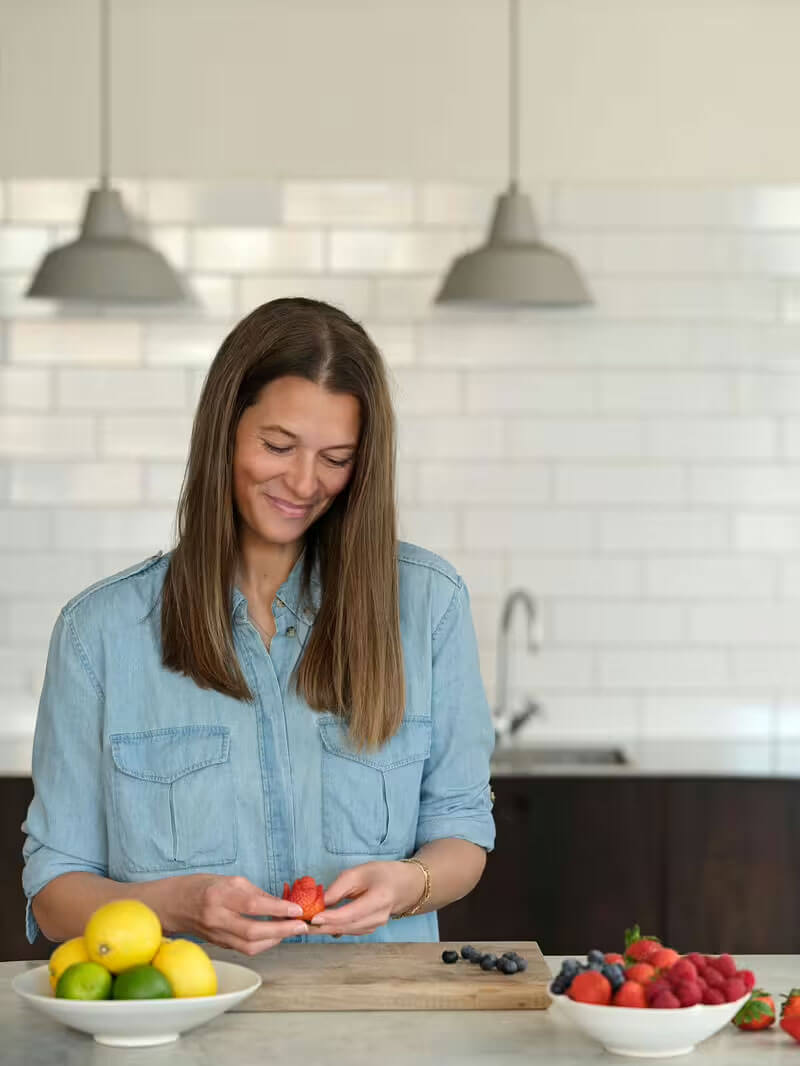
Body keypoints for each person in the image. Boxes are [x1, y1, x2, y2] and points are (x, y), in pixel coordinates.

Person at [21, 297, 496, 955]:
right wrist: (180, 907)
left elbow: (463, 832)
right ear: (226, 430)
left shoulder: (428, 603)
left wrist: (410, 882)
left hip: (384, 1030)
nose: (304, 482)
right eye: (278, 446)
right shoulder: (99, 633)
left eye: (336, 457)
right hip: (185, 1038)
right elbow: (53, 894)